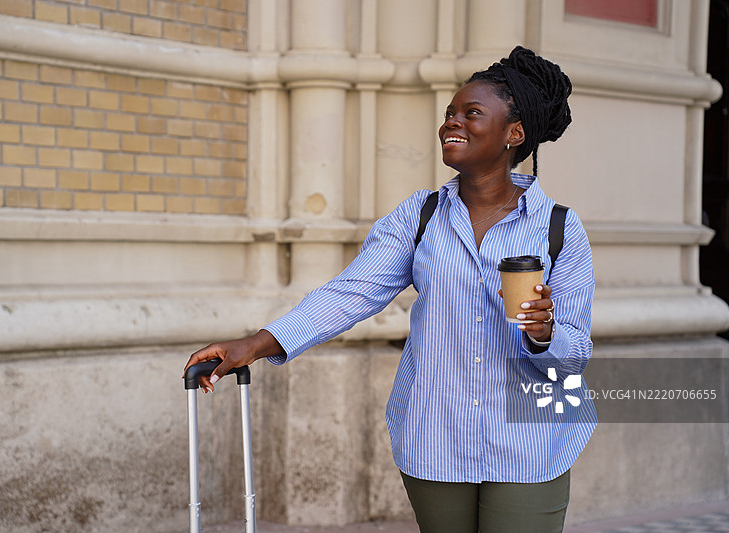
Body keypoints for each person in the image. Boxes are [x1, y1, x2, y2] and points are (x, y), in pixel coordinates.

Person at [184, 46, 597, 533]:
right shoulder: (418, 217)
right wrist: (253, 345)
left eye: (471, 113)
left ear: (515, 133)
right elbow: (349, 294)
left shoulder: (559, 228)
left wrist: (544, 334)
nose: (451, 124)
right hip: (437, 434)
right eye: (449, 114)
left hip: (534, 438)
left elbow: (576, 353)